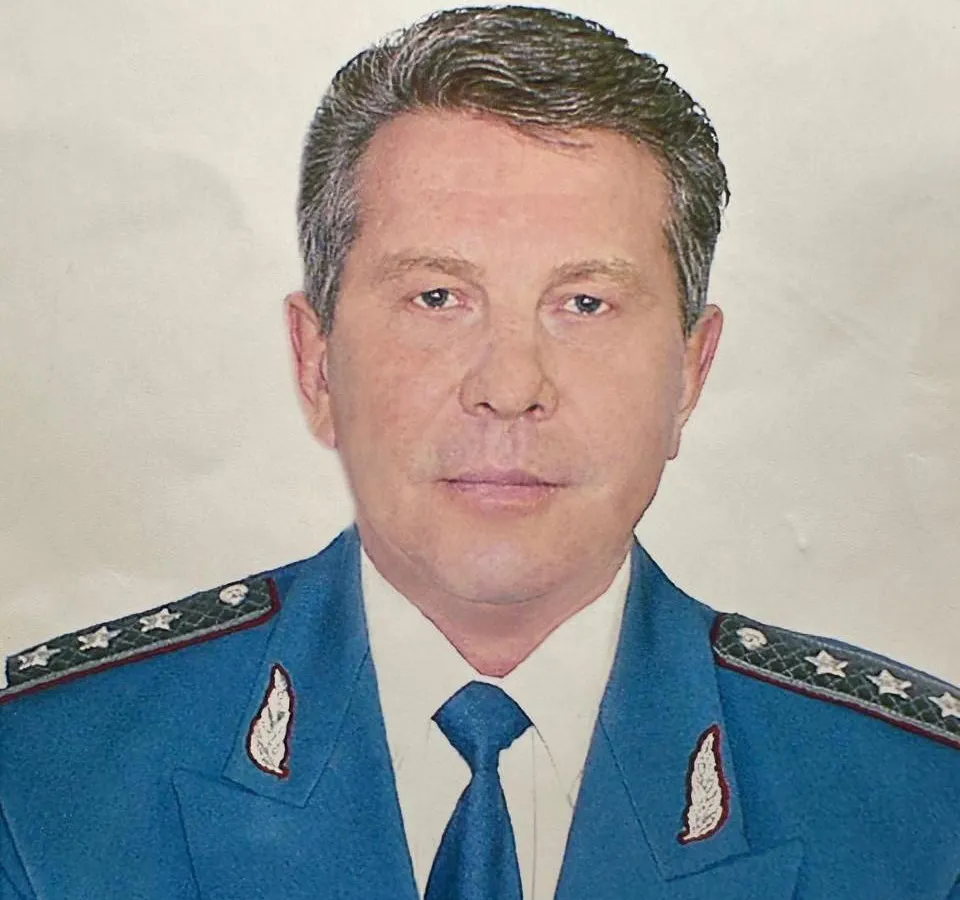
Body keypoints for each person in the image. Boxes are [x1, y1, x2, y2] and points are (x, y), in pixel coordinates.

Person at [1, 6, 957, 898]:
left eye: (585, 303)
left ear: (690, 372)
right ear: (316, 361)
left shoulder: (925, 813)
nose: (509, 384)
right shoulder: (40, 782)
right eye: (437, 298)